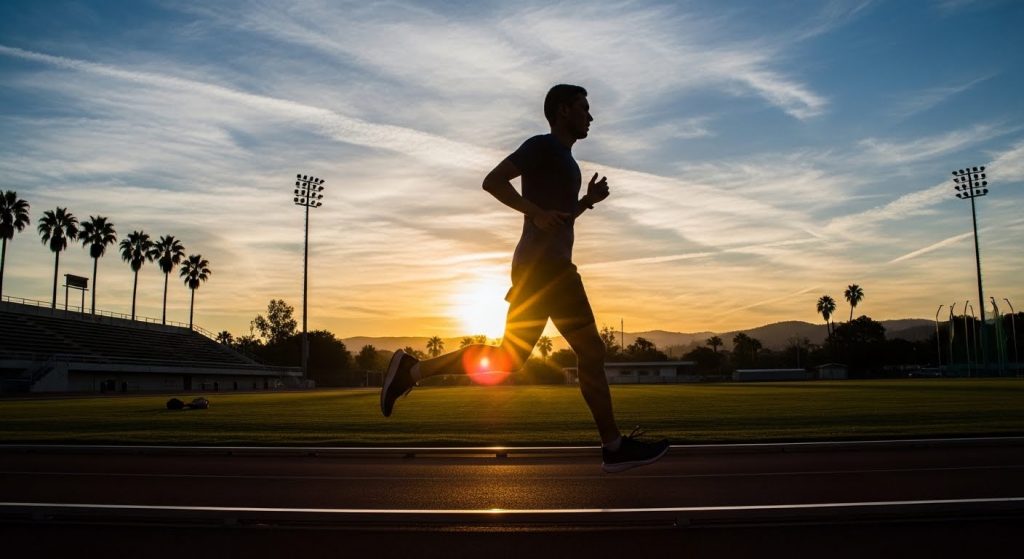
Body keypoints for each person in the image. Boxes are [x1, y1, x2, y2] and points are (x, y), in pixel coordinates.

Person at [381, 84, 669, 473]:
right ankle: (613, 447)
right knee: (591, 352)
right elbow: (493, 181)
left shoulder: (567, 161)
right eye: (584, 108)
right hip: (547, 270)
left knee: (510, 358)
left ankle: (412, 371)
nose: (591, 116)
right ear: (563, 110)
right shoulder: (542, 146)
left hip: (544, 269)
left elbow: (558, 220)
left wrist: (586, 202)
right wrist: (533, 211)